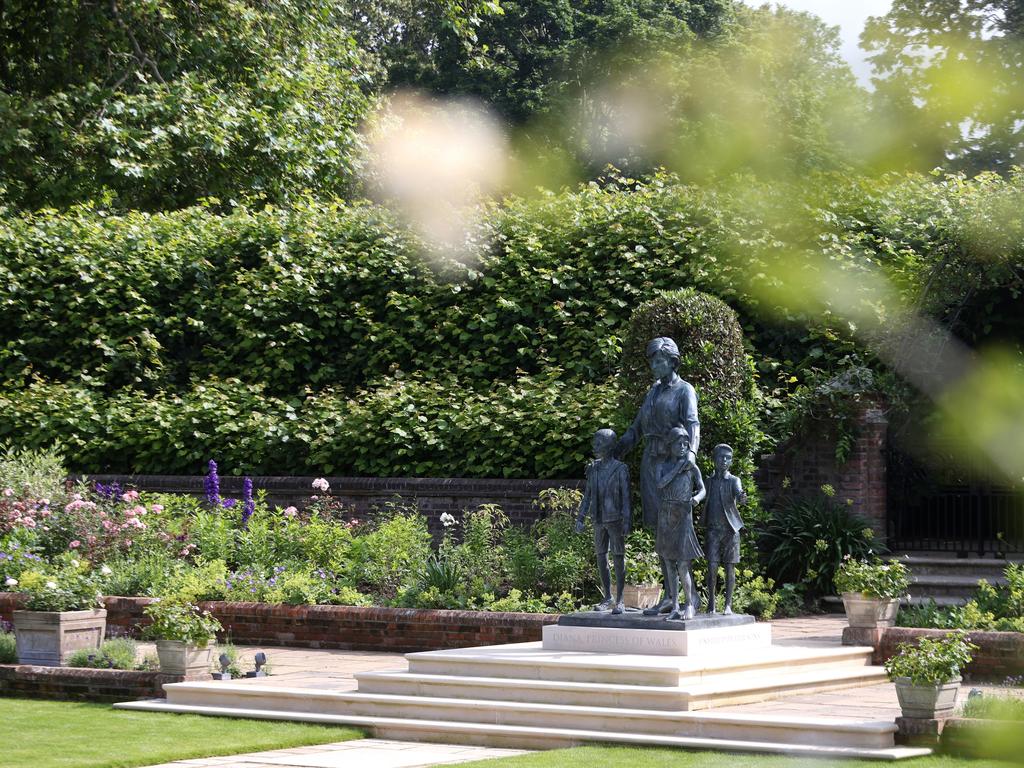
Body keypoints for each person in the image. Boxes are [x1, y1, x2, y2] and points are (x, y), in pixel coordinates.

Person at [615, 336, 700, 613]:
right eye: (651, 361)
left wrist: (692, 454)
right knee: (660, 532)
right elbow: (636, 429)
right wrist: (615, 452)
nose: (654, 365)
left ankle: (691, 599)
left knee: (677, 533)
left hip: (673, 467)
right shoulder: (652, 392)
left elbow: (693, 424)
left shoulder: (685, 390)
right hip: (651, 465)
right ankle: (669, 598)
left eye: (659, 360)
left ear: (672, 362)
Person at [644, 427, 705, 620]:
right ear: (670, 445)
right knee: (669, 563)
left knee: (683, 564)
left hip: (683, 514)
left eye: (686, 444)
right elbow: (661, 484)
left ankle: (689, 604)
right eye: (678, 443)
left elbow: (702, 489)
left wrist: (697, 498)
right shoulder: (663, 466)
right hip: (666, 514)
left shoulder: (692, 467)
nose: (682, 447)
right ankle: (674, 606)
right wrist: (680, 467)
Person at [575, 429, 631, 614]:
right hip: (598, 519)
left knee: (618, 557)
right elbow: (588, 495)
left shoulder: (620, 469)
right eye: (595, 442)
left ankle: (620, 600)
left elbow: (626, 498)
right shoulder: (594, 468)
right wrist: (580, 517)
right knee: (601, 557)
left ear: (609, 445)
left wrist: (627, 520)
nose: (595, 446)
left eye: (599, 443)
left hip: (615, 519)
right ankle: (608, 597)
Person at [703, 443, 747, 614]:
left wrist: (742, 497)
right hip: (713, 530)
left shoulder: (734, 480)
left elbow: (739, 493)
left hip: (731, 531)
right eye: (721, 457)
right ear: (714, 459)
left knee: (730, 567)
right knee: (712, 567)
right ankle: (711, 604)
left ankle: (728, 605)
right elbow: (701, 495)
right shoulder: (709, 481)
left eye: (728, 458)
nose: (724, 460)